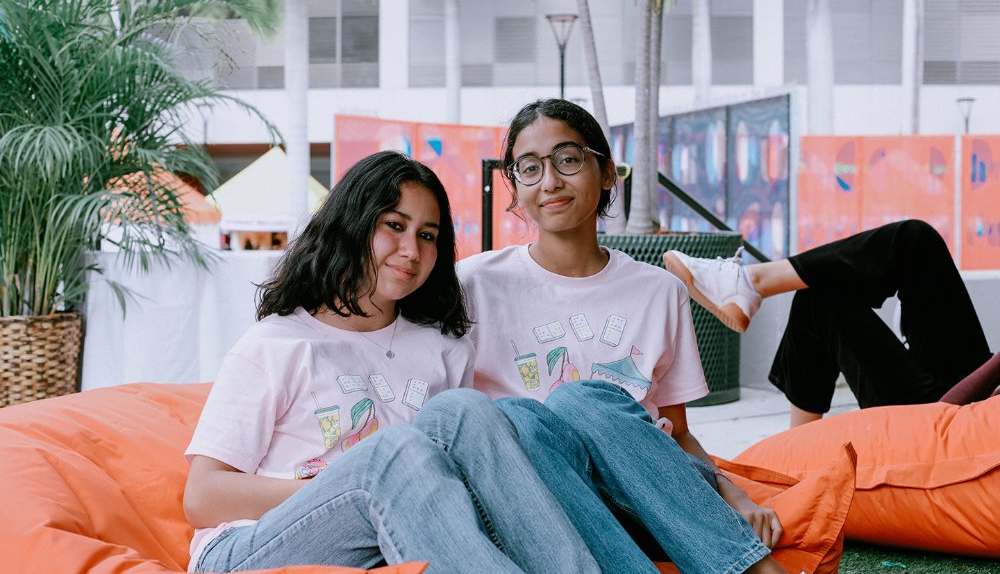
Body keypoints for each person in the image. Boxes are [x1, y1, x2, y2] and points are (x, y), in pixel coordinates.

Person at [183, 151, 602, 574]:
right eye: (395, 226)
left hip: (387, 539)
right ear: (352, 224)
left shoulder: (444, 351)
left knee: (468, 410)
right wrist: (341, 487)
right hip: (251, 546)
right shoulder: (277, 343)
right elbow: (202, 496)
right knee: (392, 453)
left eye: (427, 235)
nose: (411, 250)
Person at [458, 99, 786, 574]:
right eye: (529, 169)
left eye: (568, 159)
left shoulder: (659, 291)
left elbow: (678, 433)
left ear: (608, 173)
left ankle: (748, 568)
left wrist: (730, 492)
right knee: (517, 420)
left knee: (582, 401)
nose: (549, 182)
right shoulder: (472, 284)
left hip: (651, 499)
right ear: (515, 186)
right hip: (543, 504)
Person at [662, 219, 998, 428]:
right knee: (916, 241)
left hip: (959, 418)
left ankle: (751, 283)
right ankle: (800, 450)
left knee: (818, 300)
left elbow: (953, 409)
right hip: (978, 395)